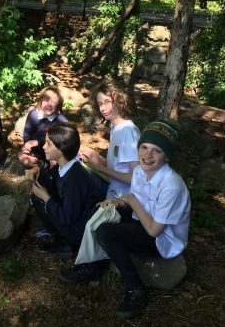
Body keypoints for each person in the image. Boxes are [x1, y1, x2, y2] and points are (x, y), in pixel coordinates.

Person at [59, 120, 191, 319]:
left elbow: (154, 230)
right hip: (142, 220)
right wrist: (117, 202)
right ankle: (93, 266)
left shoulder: (171, 185)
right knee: (97, 213)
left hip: (162, 238)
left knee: (106, 232)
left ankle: (135, 289)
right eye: (144, 147)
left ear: (167, 156)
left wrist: (130, 200)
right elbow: (133, 203)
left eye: (157, 151)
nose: (147, 155)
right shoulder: (139, 171)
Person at [26, 124, 105, 258]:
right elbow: (53, 183)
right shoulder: (65, 167)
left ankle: (67, 242)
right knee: (37, 198)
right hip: (74, 220)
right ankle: (63, 239)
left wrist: (47, 198)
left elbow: (67, 217)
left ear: (61, 149)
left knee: (42, 200)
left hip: (80, 232)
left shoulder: (75, 178)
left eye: (48, 144)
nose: (44, 147)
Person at [79, 79, 140, 199]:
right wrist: (95, 157)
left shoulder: (128, 131)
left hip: (124, 200)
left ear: (120, 101)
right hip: (112, 192)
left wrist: (100, 169)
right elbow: (116, 166)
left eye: (108, 102)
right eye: (100, 104)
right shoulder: (115, 128)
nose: (103, 108)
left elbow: (135, 178)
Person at [19, 86, 68, 168]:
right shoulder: (33, 114)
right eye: (46, 100)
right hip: (36, 151)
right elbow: (27, 132)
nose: (49, 104)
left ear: (59, 105)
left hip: (53, 152)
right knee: (22, 156)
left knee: (55, 161)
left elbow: (59, 142)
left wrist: (36, 142)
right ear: (40, 101)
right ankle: (41, 164)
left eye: (53, 102)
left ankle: (46, 168)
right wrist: (27, 146)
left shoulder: (61, 120)